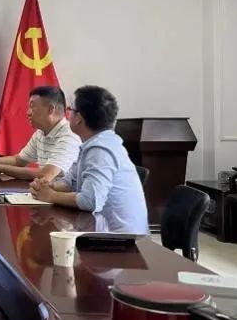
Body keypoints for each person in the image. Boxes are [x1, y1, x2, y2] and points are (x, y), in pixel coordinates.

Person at [29, 85, 149, 234]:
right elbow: (71, 183)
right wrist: (48, 186)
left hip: (121, 240)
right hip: (100, 231)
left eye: (70, 110)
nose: (67, 114)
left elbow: (90, 200)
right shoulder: (90, 144)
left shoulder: (101, 149)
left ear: (79, 118)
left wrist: (51, 196)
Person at [0, 85, 80, 181]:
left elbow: (46, 174)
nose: (28, 113)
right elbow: (18, 161)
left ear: (50, 109)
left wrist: (1, 168)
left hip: (63, 199)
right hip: (45, 193)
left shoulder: (69, 135)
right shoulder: (40, 133)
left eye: (32, 107)